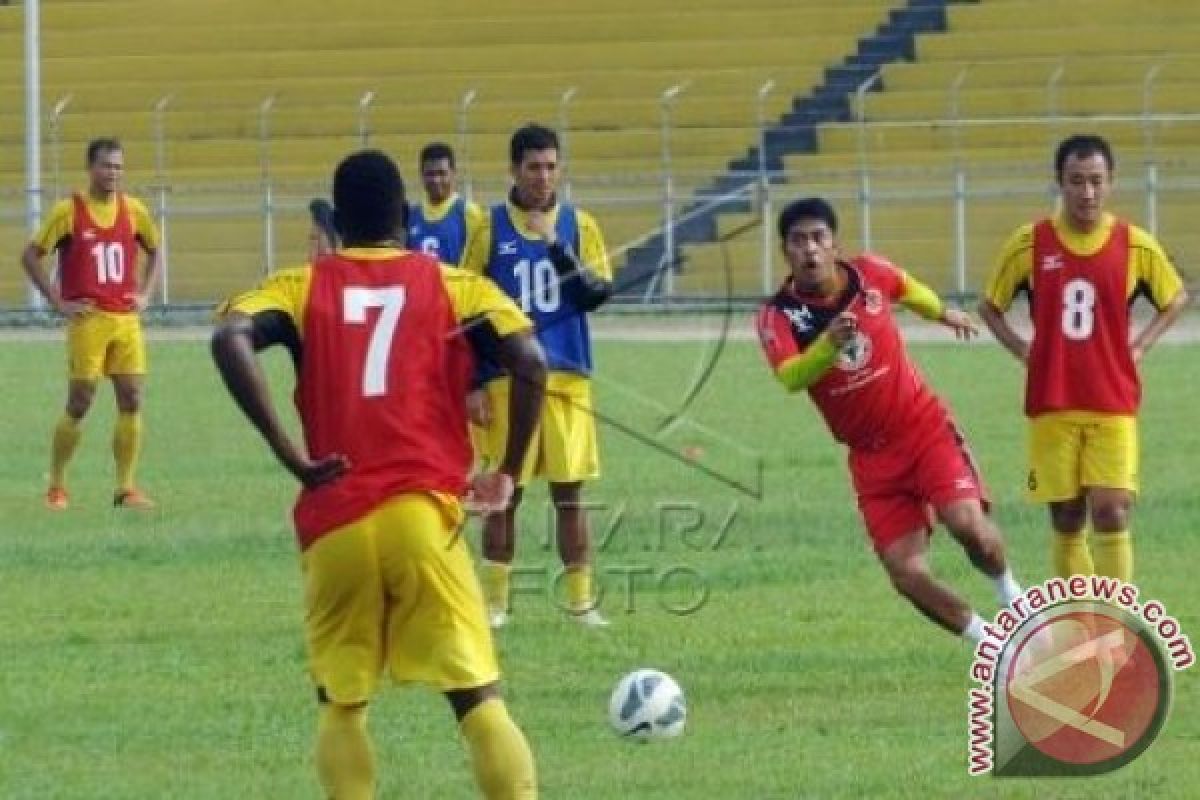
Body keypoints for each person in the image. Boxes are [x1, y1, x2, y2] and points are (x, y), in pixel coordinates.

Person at [211, 150, 544, 799]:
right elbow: (529, 359)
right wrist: (507, 474)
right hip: (422, 513)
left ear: (335, 222)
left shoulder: (300, 286)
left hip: (334, 515)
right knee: (477, 697)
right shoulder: (454, 285)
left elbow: (229, 339)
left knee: (342, 702)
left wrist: (290, 455)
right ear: (404, 216)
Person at [756, 197, 1024, 645]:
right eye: (798, 241)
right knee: (905, 572)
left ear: (835, 244)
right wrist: (827, 345)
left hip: (922, 428)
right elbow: (790, 376)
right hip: (870, 457)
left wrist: (943, 312)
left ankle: (1011, 594)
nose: (810, 250)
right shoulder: (778, 316)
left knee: (967, 525)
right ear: (785, 251)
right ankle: (993, 643)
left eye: (818, 238)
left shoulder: (870, 274)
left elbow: (907, 287)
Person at [978, 134, 1188, 583]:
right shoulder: (1029, 243)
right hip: (1053, 400)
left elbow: (1176, 297)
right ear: (1060, 183)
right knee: (1068, 518)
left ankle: (1116, 621)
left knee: (1112, 510)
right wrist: (1021, 348)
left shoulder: (1134, 244)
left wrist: (1142, 345)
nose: (1087, 192)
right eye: (1076, 181)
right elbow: (989, 306)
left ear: (1111, 183)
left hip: (1112, 399)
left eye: (1096, 181)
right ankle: (1083, 623)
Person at [460, 123, 614, 628]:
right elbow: (467, 311)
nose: (543, 177)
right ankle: (496, 604)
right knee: (506, 491)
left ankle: (581, 602)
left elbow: (595, 294)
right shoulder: (489, 229)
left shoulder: (579, 224)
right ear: (513, 170)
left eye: (551, 166)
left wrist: (555, 246)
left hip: (568, 378)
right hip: (508, 384)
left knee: (570, 494)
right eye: (533, 167)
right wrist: (475, 381)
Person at [20, 137, 161, 510]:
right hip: (89, 320)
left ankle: (125, 488)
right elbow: (31, 256)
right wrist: (57, 301)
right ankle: (56, 485)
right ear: (90, 168)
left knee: (131, 399)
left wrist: (145, 293)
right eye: (106, 166)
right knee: (80, 402)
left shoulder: (133, 210)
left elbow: (155, 248)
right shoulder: (68, 211)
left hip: (126, 320)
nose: (113, 173)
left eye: (118, 166)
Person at [407, 142, 485, 266]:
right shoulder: (411, 216)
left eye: (442, 173)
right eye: (430, 174)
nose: (436, 180)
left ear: (453, 173)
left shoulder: (470, 213)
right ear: (421, 175)